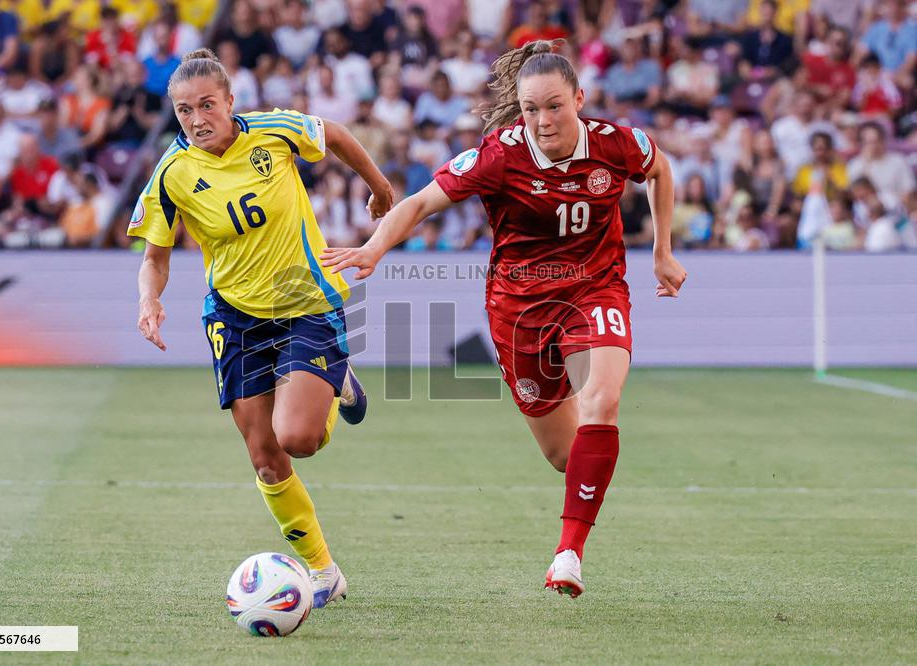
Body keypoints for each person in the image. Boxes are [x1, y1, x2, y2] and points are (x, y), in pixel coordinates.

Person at [322, 40, 686, 598]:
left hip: (596, 290)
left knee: (602, 402)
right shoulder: (499, 155)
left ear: (579, 100)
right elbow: (419, 203)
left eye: (555, 106)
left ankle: (568, 554)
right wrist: (373, 248)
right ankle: (583, 484)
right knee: (567, 455)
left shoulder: (616, 144)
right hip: (519, 312)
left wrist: (663, 249)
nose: (543, 121)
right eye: (532, 108)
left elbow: (660, 170)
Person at [128, 48, 393, 608]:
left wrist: (379, 187)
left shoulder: (276, 131)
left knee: (301, 438)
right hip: (234, 314)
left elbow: (338, 135)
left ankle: (335, 378)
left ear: (230, 101)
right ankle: (323, 572)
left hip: (304, 297)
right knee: (266, 457)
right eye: (183, 111)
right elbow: (155, 255)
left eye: (207, 105)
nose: (197, 120)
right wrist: (149, 300)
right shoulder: (173, 173)